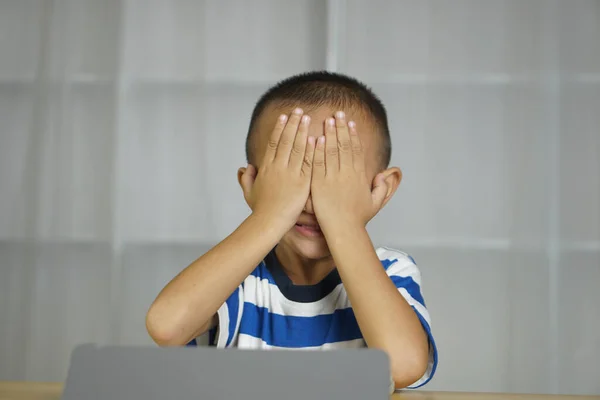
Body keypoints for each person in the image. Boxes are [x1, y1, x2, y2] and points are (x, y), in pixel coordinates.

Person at [146, 71, 438, 389]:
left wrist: (343, 221)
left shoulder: (392, 269)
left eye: (336, 179)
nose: (312, 203)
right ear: (253, 185)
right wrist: (272, 213)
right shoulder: (236, 278)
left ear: (380, 189)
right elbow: (166, 326)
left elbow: (404, 365)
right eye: (292, 177)